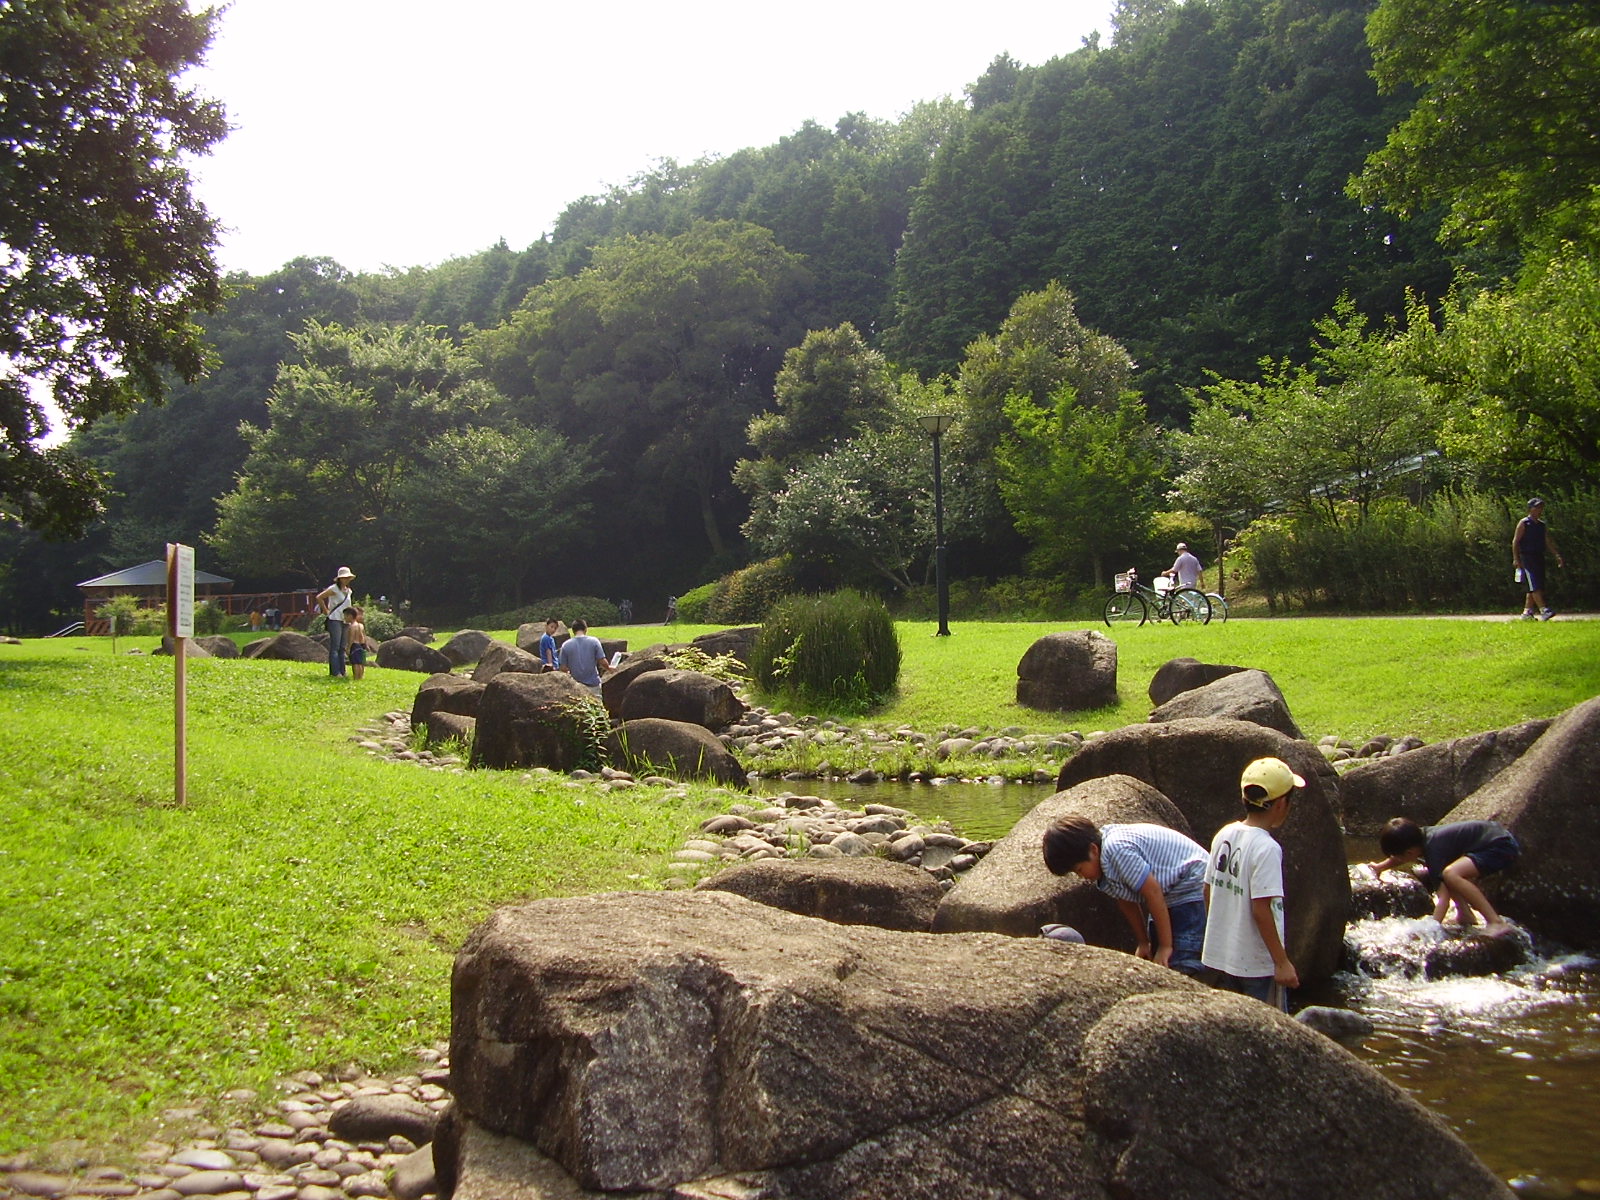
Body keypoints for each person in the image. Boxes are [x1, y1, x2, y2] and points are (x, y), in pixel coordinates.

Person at [1042, 815, 1209, 975]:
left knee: (1181, 953)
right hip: (1168, 890)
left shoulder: (1116, 850)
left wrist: (1166, 946)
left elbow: (1153, 892)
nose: (1081, 876)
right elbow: (1126, 902)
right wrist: (1144, 942)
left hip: (1190, 880)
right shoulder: (1104, 867)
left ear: (1093, 850)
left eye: (1079, 869)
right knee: (1157, 945)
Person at [1202, 757, 1302, 1009]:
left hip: (1222, 956)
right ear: (1281, 804)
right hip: (1256, 965)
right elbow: (1261, 910)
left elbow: (1208, 889)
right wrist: (1281, 962)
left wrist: (1219, 933)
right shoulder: (1267, 848)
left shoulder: (1224, 833)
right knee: (1266, 1030)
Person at [1365, 818, 1520, 935]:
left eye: (1398, 857)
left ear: (1409, 853)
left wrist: (1431, 930)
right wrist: (1380, 867)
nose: (1397, 860)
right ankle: (1465, 914)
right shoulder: (1421, 838)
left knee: (1450, 874)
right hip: (1493, 840)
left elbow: (1443, 900)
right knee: (1447, 875)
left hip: (1500, 847)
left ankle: (1495, 922)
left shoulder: (1434, 851)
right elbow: (1399, 856)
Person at [1512, 497, 1566, 620]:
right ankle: (1544, 610)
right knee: (1534, 583)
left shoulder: (1541, 525)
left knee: (1536, 584)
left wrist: (1556, 555)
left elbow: (1547, 541)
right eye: (1536, 507)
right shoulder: (1524, 523)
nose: (1539, 510)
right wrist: (1516, 558)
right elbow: (1516, 541)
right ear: (1530, 509)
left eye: (1541, 507)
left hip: (1539, 556)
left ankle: (1527, 613)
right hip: (1527, 557)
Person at [316, 566, 356, 678]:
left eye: (348, 578)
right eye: (345, 578)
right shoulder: (334, 589)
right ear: (340, 579)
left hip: (345, 620)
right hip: (335, 619)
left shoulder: (349, 591)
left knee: (342, 646)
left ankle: (342, 671)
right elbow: (319, 597)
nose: (347, 579)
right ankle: (335, 672)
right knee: (335, 646)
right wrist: (326, 611)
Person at [556, 618, 611, 697]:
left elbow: (563, 668)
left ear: (573, 630)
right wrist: (609, 668)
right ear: (586, 629)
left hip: (576, 686)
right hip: (593, 684)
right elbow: (602, 661)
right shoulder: (594, 641)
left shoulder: (566, 645)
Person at [346, 606, 377, 681]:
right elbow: (364, 636)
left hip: (355, 645)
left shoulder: (352, 626)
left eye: (345, 616)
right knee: (361, 662)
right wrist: (366, 645)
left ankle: (356, 677)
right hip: (361, 645)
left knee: (355, 663)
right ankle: (361, 676)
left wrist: (348, 648)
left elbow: (352, 637)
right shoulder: (361, 625)